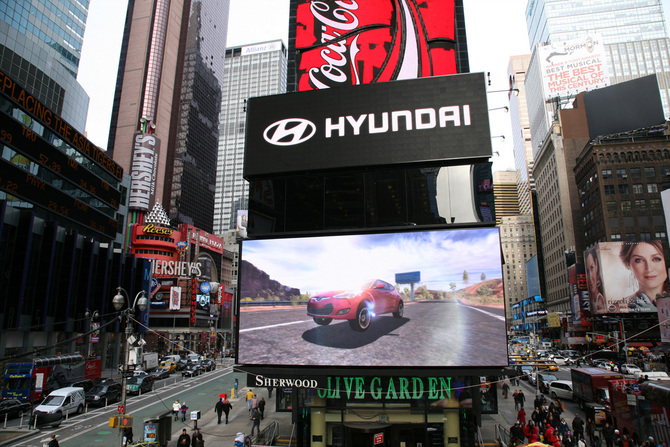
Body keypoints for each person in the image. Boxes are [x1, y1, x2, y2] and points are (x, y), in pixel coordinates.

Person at [618, 241, 669, 311]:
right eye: (639, 260)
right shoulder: (619, 307)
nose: (649, 268)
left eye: (656, 259)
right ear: (628, 265)